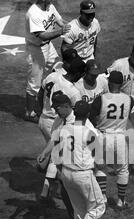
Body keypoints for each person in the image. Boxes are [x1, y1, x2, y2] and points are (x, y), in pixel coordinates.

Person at [38, 98, 105, 219]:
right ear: (87, 114)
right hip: (83, 175)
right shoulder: (90, 133)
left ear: (74, 112)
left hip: (66, 174)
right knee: (98, 206)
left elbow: (56, 153)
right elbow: (100, 161)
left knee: (79, 209)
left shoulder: (63, 130)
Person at [37, 57, 85, 204]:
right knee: (58, 157)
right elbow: (80, 112)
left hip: (44, 119)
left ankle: (49, 190)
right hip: (58, 122)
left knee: (55, 154)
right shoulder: (73, 91)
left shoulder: (53, 75)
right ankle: (52, 190)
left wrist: (39, 111)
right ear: (76, 74)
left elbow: (40, 93)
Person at [90, 71, 133, 208]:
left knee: (100, 167)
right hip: (120, 137)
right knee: (122, 169)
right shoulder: (128, 99)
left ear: (109, 83)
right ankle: (121, 201)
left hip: (103, 136)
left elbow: (91, 118)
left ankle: (102, 198)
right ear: (121, 84)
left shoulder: (101, 99)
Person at [25, 0, 71, 122]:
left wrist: (72, 27)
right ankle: (30, 113)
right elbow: (42, 35)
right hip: (36, 50)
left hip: (48, 46)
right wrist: (61, 31)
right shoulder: (33, 13)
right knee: (34, 84)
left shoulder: (50, 6)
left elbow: (60, 22)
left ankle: (54, 100)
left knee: (60, 68)